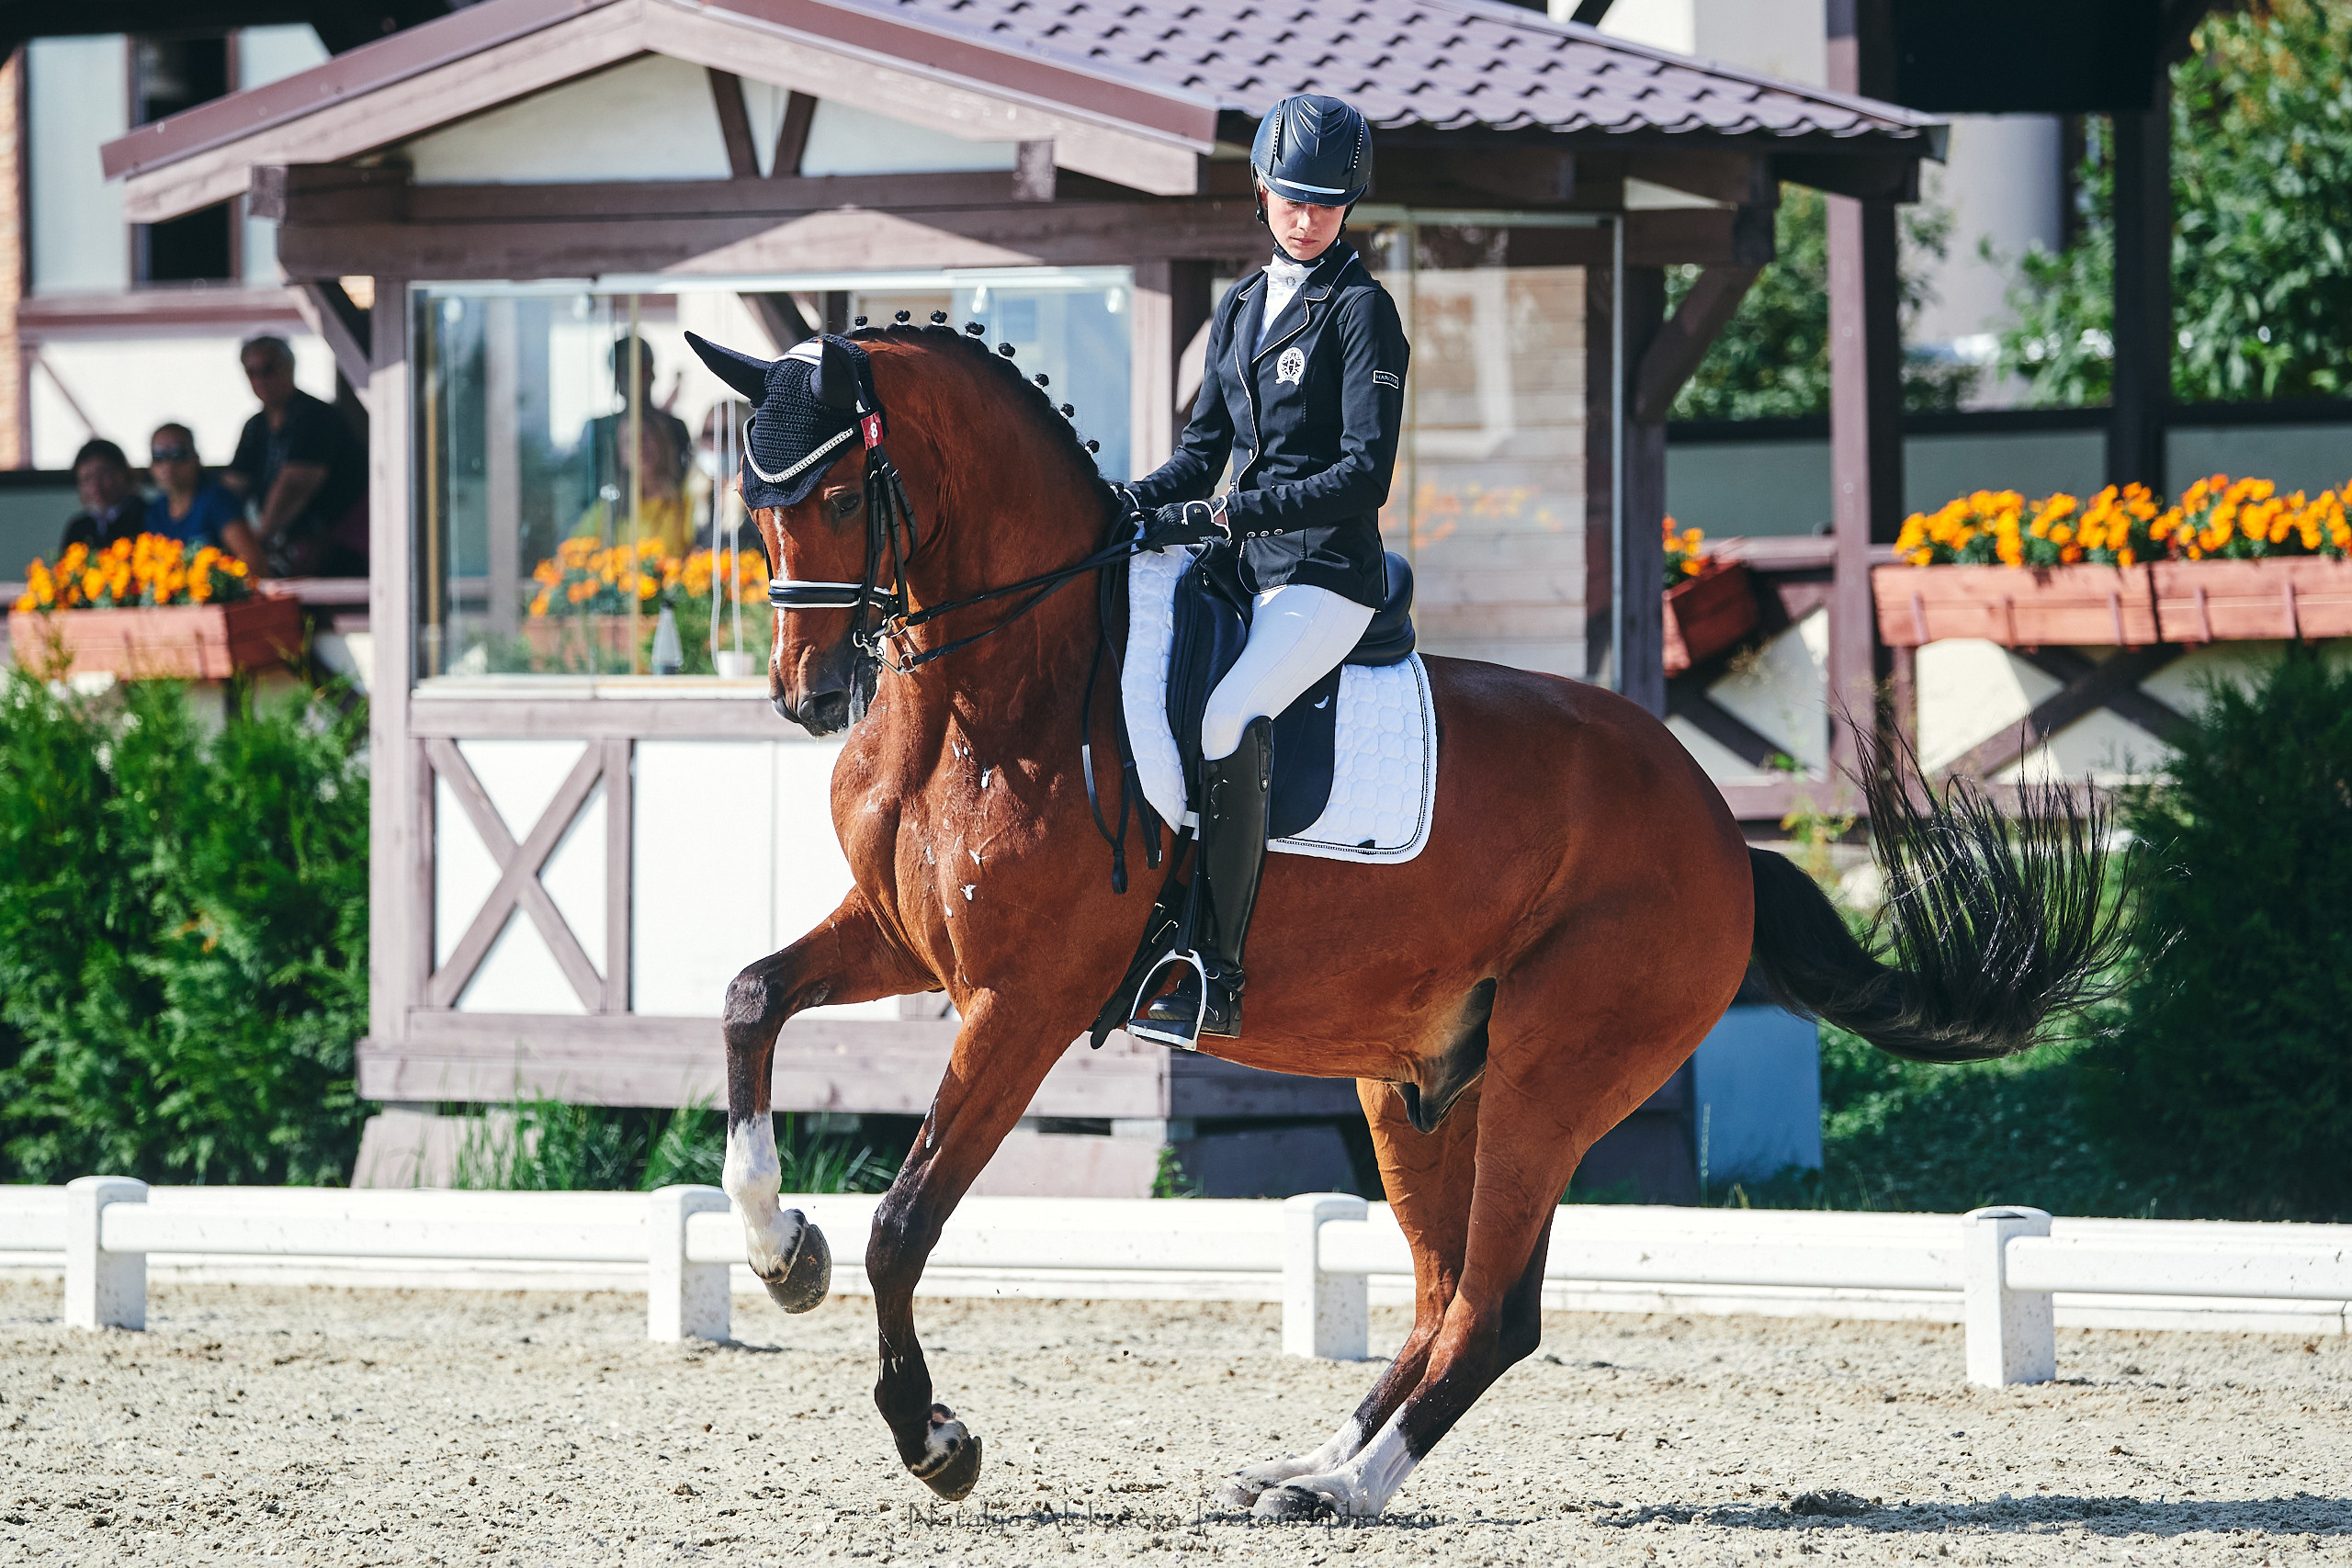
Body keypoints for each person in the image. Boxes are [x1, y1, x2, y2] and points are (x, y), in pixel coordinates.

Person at [1120, 92, 1408, 1045]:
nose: (1306, 215)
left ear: (1347, 206)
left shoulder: (1364, 312)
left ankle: (1216, 968)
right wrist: (1125, 502)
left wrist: (1231, 512)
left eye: (1325, 201)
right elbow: (1201, 452)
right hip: (1243, 569)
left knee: (1227, 714)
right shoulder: (1241, 304)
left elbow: (1362, 474)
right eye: (1291, 197)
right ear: (1261, 192)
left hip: (1326, 574)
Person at [221, 335, 368, 577]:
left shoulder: (315, 416)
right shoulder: (256, 426)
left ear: (289, 367)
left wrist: (258, 542)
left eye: (269, 369)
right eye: (252, 372)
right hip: (292, 547)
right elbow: (233, 485)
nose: (260, 380)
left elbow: (294, 486)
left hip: (340, 543)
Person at [143, 423, 252, 553]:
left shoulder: (218, 501)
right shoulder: (155, 512)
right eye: (159, 458)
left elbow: (252, 562)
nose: (168, 466)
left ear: (196, 459)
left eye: (178, 455)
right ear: (151, 467)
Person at [58, 439, 145, 554]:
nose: (96, 486)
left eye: (103, 475)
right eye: (87, 479)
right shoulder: (78, 527)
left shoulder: (145, 516)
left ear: (123, 474)